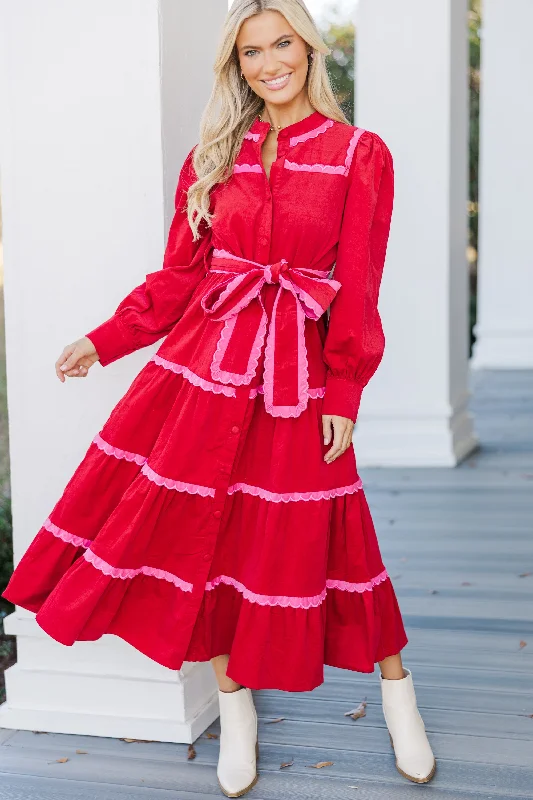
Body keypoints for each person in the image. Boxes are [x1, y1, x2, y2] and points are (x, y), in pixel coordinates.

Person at [2, 0, 436, 795]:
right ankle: (236, 711)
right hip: (200, 375)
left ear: (309, 51)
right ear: (235, 66)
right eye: (250, 54)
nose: (269, 64)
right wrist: (104, 339)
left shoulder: (355, 154)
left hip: (295, 382)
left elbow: (359, 292)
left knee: (338, 528)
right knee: (202, 541)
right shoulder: (215, 155)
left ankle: (397, 697)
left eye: (282, 46)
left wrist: (344, 389)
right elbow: (179, 278)